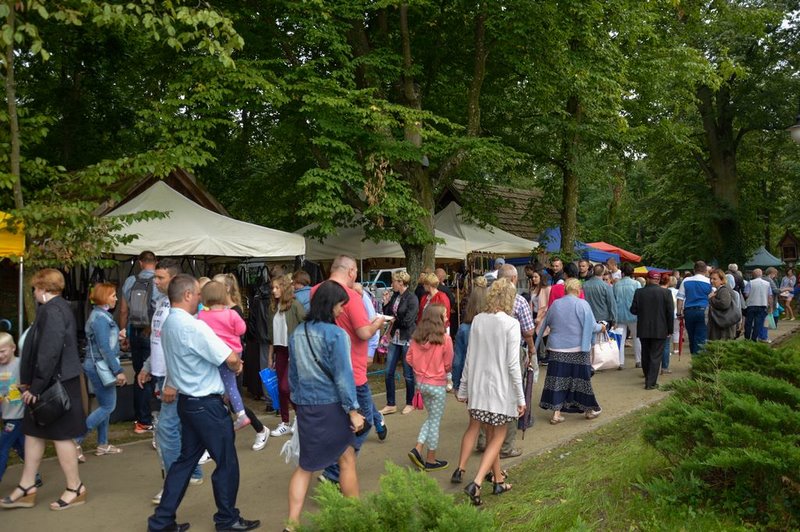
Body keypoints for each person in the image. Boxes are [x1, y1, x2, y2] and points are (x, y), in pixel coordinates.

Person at [147, 275, 260, 532]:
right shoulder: (194, 327)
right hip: (207, 405)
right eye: (197, 293)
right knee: (226, 462)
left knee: (185, 462)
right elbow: (229, 357)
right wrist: (238, 366)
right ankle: (227, 519)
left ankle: (161, 521)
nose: (201, 298)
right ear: (187, 295)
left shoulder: (169, 323)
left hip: (188, 403)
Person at [1, 269, 87, 511]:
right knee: (33, 432)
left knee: (62, 435)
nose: (34, 293)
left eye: (35, 288)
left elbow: (50, 352)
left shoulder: (53, 311)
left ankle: (75, 488)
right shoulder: (53, 308)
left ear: (42, 288)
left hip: (55, 384)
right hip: (50, 382)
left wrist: (36, 386)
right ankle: (27, 485)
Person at [286, 281, 364, 530]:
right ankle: (356, 516)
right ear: (330, 305)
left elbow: (292, 376)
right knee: (347, 458)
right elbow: (343, 376)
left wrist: (299, 403)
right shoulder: (337, 334)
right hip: (332, 407)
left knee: (306, 465)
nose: (341, 310)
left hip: (306, 406)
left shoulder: (297, 333)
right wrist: (353, 410)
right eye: (341, 305)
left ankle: (291, 524)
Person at [137, 259, 206, 506]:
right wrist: (148, 366)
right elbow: (159, 341)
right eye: (155, 277)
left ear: (174, 279)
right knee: (179, 428)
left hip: (174, 380)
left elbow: (184, 349)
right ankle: (193, 472)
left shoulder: (185, 311)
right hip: (162, 377)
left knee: (166, 431)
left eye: (160, 278)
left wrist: (173, 383)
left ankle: (174, 483)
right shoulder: (161, 304)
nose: (155, 281)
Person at [452, 279, 525, 505]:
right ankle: (476, 483)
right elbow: (513, 365)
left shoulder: (478, 320)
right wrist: (521, 397)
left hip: (479, 390)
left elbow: (469, 358)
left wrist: (464, 388)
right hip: (500, 391)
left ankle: (498, 480)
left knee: (492, 435)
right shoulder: (511, 324)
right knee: (499, 436)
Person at [316, 255, 385, 485]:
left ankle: (335, 465)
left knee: (342, 421)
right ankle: (336, 469)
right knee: (363, 421)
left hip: (325, 370)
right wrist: (378, 324)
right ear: (352, 271)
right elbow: (363, 332)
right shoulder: (351, 297)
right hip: (353, 371)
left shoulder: (316, 291)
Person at [212, 273, 270, 445]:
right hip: (221, 362)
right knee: (222, 402)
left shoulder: (234, 310)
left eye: (216, 285)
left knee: (233, 403)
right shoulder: (220, 309)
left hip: (232, 363)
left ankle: (261, 429)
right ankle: (216, 443)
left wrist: (237, 361)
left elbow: (237, 340)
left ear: (227, 288)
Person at [537, 279, 604, 424]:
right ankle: (589, 410)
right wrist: (602, 327)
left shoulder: (556, 304)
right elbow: (592, 327)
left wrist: (535, 346)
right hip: (578, 349)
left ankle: (556, 414)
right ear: (578, 290)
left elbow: (546, 323)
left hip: (556, 348)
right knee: (581, 380)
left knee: (557, 380)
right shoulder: (582, 304)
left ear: (565, 290)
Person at [75, 282, 128, 460]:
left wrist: (116, 336)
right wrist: (118, 370)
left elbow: (102, 343)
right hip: (100, 366)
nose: (116, 299)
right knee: (108, 406)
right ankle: (75, 441)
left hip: (97, 365)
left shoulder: (99, 315)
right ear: (104, 297)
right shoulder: (101, 319)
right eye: (113, 295)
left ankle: (103, 444)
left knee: (105, 405)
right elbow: (104, 348)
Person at [406, 304, 453, 472]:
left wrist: (420, 369)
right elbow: (448, 364)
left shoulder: (416, 338)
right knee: (434, 421)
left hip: (421, 384)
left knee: (432, 417)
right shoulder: (445, 339)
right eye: (444, 315)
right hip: (438, 385)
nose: (447, 317)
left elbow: (409, 358)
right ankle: (430, 458)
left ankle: (418, 448)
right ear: (438, 319)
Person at [197, 281, 250, 430]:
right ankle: (232, 407)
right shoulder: (232, 313)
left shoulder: (202, 315)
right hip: (235, 352)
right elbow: (242, 330)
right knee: (229, 383)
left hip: (217, 355)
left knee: (227, 384)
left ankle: (241, 414)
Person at [120, 250, 160, 434]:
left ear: (140, 263)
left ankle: (141, 419)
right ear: (156, 262)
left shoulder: (130, 281)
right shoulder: (159, 282)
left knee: (139, 373)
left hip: (135, 331)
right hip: (152, 331)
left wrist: (124, 334)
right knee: (153, 372)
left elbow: (123, 311)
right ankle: (152, 416)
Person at [266, 274, 307, 437]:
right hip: (280, 350)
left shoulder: (295, 305)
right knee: (281, 389)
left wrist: (299, 350)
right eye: (273, 288)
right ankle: (285, 422)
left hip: (293, 351)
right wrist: (270, 356)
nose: (274, 291)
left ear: (284, 288)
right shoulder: (273, 308)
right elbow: (272, 335)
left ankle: (301, 417)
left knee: (286, 387)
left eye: (277, 287)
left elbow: (305, 326)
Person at [379, 271, 419, 416]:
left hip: (407, 338)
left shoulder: (412, 298)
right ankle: (391, 404)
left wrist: (395, 320)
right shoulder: (396, 296)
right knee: (388, 371)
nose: (392, 284)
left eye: (394, 282)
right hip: (394, 338)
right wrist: (385, 303)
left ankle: (410, 402)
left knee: (408, 373)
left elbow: (408, 321)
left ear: (401, 282)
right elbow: (389, 313)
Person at [630, 271, 674, 390]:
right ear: (658, 280)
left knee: (645, 354)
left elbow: (633, 310)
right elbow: (670, 313)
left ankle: (648, 377)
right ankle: (651, 382)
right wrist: (670, 329)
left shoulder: (639, 292)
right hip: (660, 328)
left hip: (644, 327)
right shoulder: (666, 293)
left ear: (647, 279)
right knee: (656, 355)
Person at [0, 333, 29, 484]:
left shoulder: (20, 364)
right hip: (6, 415)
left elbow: (29, 384)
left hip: (18, 416)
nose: (0, 355)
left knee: (2, 446)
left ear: (13, 348)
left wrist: (24, 389)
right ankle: (34, 476)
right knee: (20, 447)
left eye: (2, 351)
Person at [453, 278, 487, 392]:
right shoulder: (496, 326)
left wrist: (456, 384)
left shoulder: (463, 329)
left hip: (470, 376)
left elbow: (458, 360)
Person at [676, 261, 712, 355]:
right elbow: (712, 296)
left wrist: (679, 313)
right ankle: (698, 358)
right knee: (701, 337)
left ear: (694, 270)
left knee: (691, 337)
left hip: (689, 311)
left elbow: (680, 298)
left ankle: (694, 355)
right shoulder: (709, 281)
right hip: (703, 311)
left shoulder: (686, 281)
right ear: (705, 270)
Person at [613, 263, 640, 369]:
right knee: (637, 338)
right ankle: (639, 360)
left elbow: (614, 301)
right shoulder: (636, 284)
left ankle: (620, 362)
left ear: (622, 272)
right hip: (634, 315)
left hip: (619, 315)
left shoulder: (616, 285)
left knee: (620, 339)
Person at [708, 269, 739, 340]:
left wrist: (711, 298)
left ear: (722, 280)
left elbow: (724, 304)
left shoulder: (724, 290)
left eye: (714, 279)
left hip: (723, 328)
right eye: (711, 278)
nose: (711, 281)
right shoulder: (722, 289)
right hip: (723, 325)